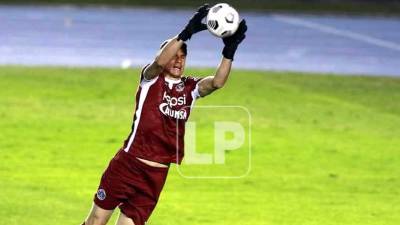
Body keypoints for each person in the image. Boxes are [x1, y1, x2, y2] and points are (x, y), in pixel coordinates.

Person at [81, 4, 247, 225]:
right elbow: (159, 62)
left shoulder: (190, 88)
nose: (178, 61)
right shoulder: (151, 79)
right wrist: (186, 33)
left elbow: (217, 82)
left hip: (156, 175)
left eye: (183, 57)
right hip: (128, 164)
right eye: (174, 56)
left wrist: (229, 51)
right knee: (96, 221)